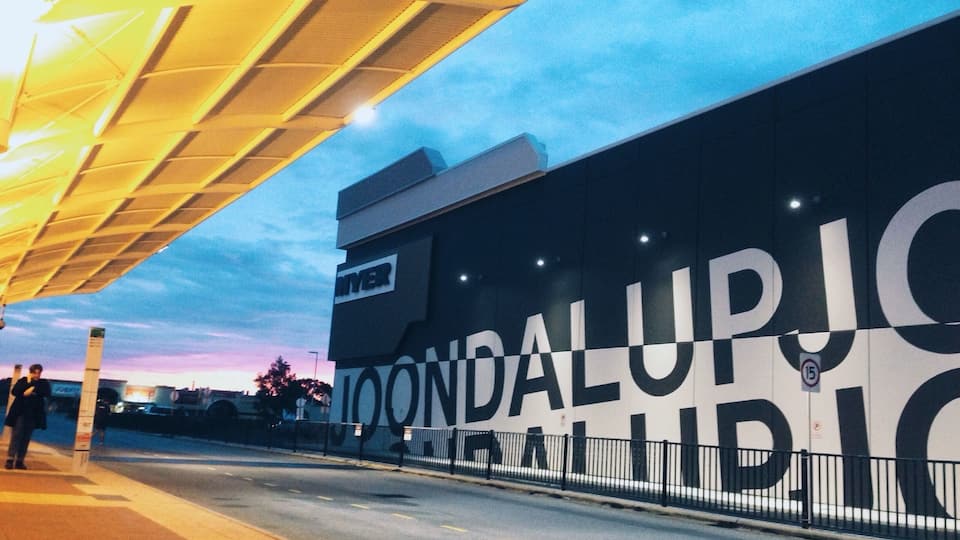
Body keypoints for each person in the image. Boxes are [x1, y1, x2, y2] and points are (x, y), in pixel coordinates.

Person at [4, 364, 51, 470]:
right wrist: (28, 384)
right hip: (20, 413)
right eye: (35, 372)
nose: (37, 375)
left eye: (39, 373)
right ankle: (10, 459)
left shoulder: (43, 382)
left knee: (26, 437)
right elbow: (15, 391)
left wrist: (32, 387)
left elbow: (46, 392)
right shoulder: (23, 381)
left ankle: (20, 460)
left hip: (33, 414)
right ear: (31, 372)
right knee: (16, 435)